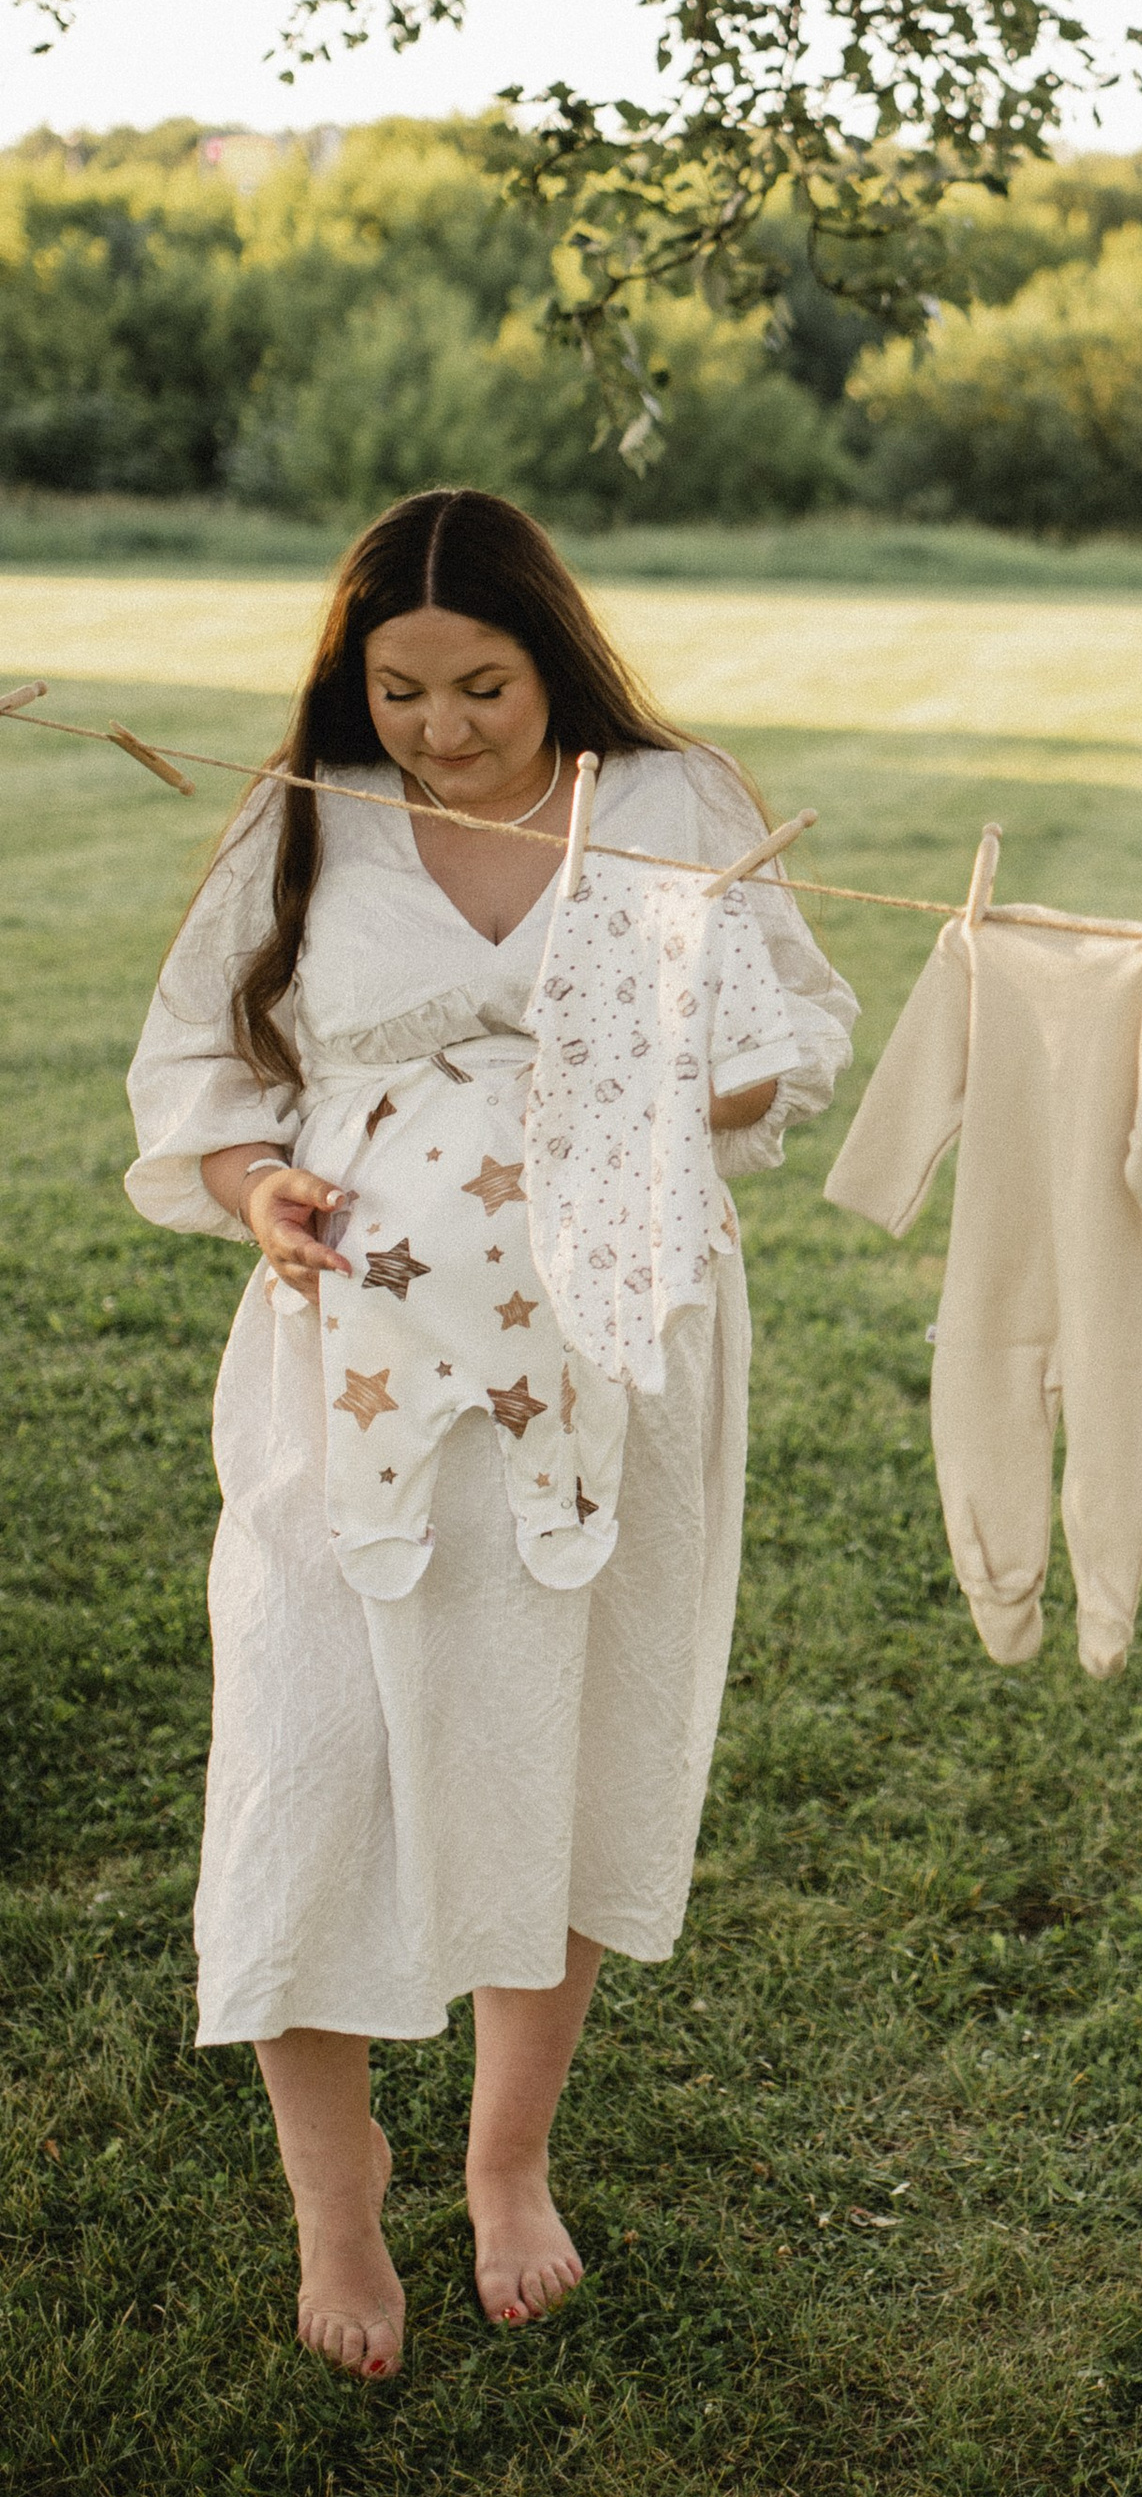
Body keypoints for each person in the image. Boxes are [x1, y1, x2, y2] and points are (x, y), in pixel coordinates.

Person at [127, 488, 854, 2378]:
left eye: (482, 684)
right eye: (401, 688)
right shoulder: (312, 806)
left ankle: (508, 2157)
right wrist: (256, 1181)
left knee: (566, 1715)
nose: (441, 728)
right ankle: (332, 2185)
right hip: (350, 1361)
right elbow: (202, 1069)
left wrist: (667, 1040)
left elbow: (786, 1048)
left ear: (555, 656)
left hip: (612, 1351)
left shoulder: (676, 800)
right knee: (311, 1726)